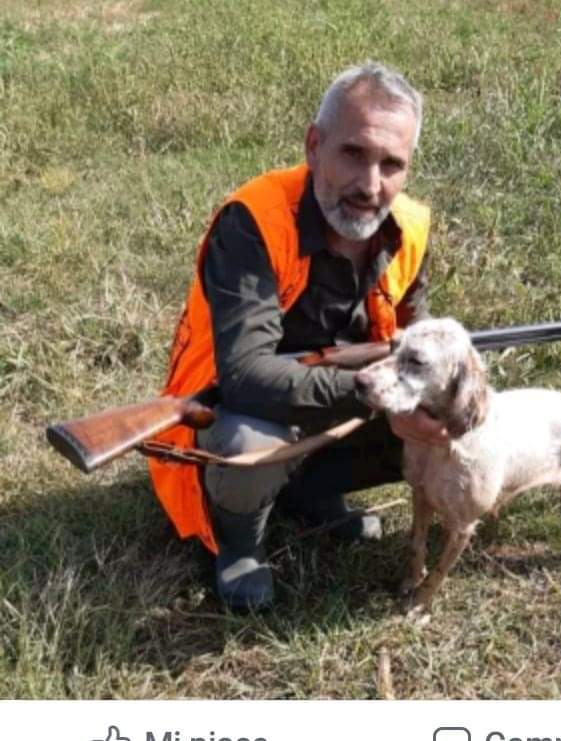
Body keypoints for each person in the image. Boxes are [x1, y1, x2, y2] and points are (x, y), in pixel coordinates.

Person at [148, 62, 447, 612]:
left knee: (441, 414)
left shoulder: (409, 228)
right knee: (244, 442)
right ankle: (240, 544)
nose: (370, 186)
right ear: (314, 146)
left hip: (338, 401)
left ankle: (309, 494)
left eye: (392, 164)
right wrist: (375, 393)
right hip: (243, 406)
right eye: (353, 153)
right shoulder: (253, 222)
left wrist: (424, 394)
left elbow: (414, 337)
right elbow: (244, 377)